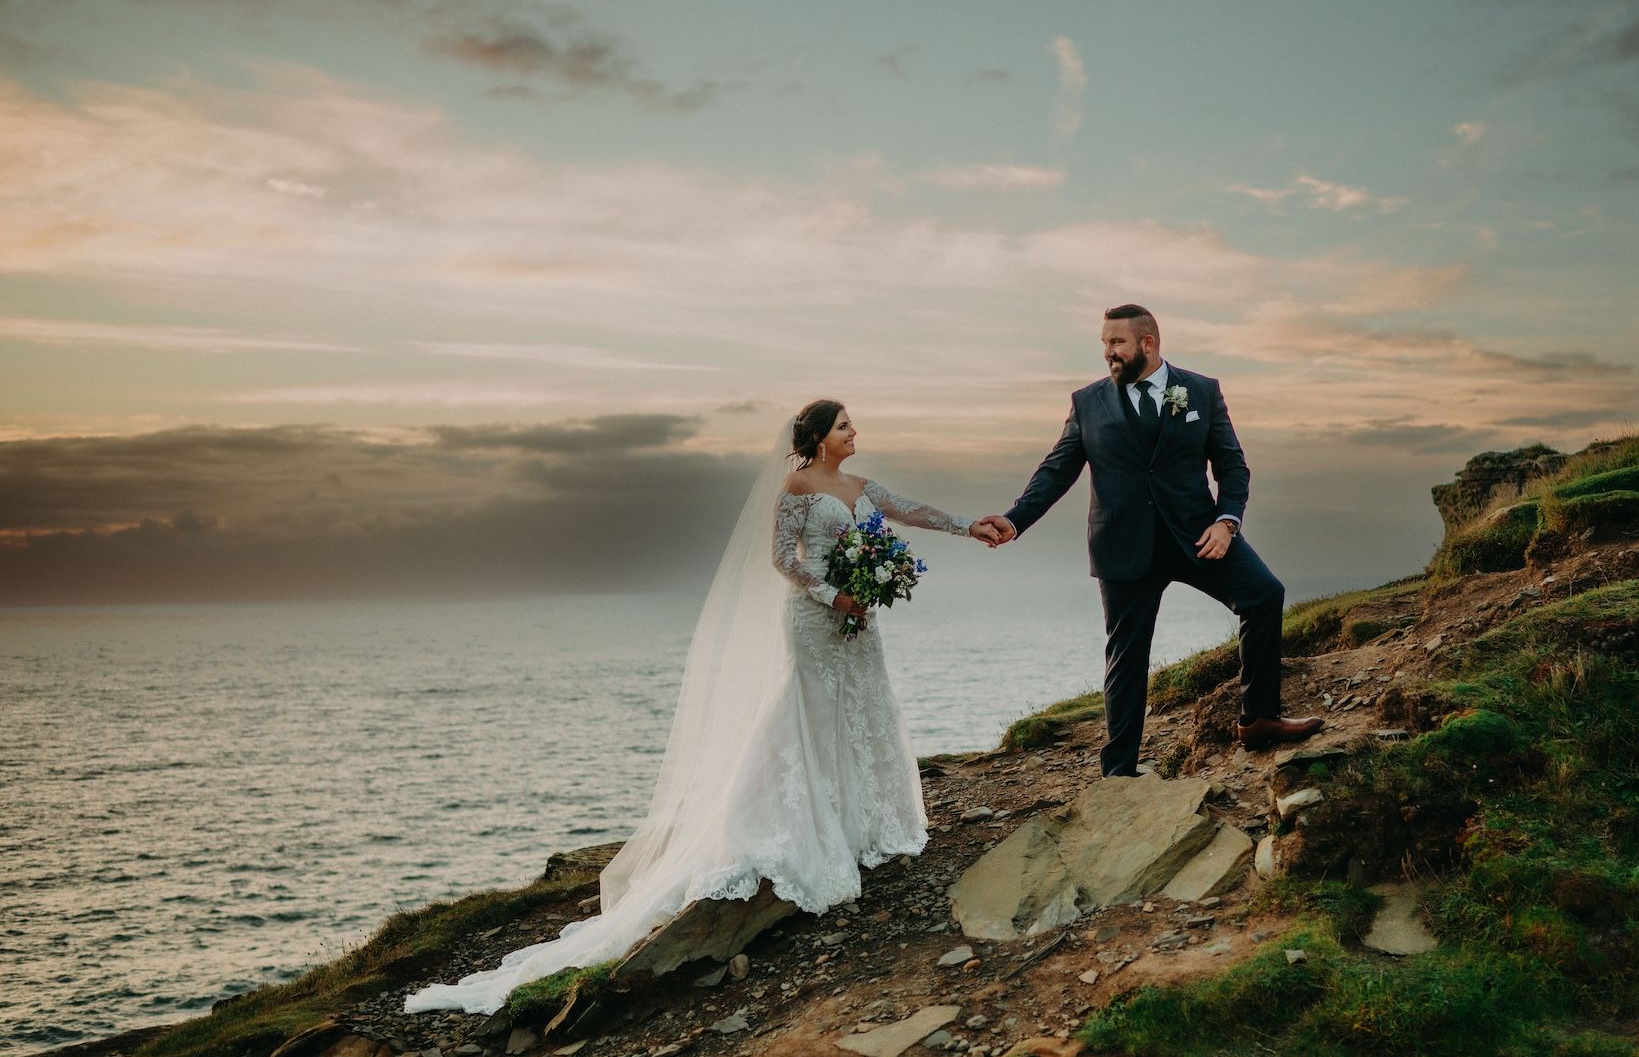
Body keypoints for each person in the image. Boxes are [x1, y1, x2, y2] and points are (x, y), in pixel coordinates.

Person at [403, 400, 990, 1016]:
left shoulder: (862, 486)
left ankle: (864, 825)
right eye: (843, 425)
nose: (854, 432)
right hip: (817, 619)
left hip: (859, 620)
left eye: (852, 424)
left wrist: (969, 526)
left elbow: (910, 512)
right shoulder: (796, 485)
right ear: (817, 438)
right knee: (810, 714)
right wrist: (831, 593)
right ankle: (793, 829)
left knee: (864, 712)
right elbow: (781, 558)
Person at [974, 304, 1323, 777]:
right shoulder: (1087, 402)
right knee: (1127, 657)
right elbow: (1056, 471)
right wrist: (1015, 520)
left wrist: (1226, 522)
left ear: (1148, 344)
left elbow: (1233, 466)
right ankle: (1119, 770)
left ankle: (1258, 719)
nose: (1108, 353)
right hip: (1123, 545)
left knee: (1264, 595)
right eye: (1103, 344)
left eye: (1116, 343)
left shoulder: (1201, 390)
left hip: (1198, 535)